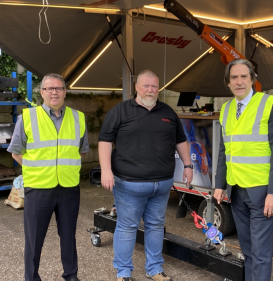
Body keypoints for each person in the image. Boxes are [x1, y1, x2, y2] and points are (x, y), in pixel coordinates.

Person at [98, 69, 193, 281]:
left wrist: (188, 165)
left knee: (156, 226)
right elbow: (105, 140)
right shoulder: (120, 111)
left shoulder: (168, 112)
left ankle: (155, 269)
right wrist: (106, 170)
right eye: (146, 85)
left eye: (154, 86)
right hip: (129, 183)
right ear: (137, 87)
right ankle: (123, 272)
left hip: (162, 184)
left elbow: (180, 140)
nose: (150, 90)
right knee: (127, 227)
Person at [7, 73, 89, 281]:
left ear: (65, 92)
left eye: (59, 88)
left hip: (68, 188)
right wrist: (36, 169)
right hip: (38, 189)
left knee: (69, 236)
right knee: (34, 239)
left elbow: (81, 151)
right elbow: (16, 152)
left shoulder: (78, 117)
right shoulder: (26, 118)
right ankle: (32, 278)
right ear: (42, 92)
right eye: (49, 88)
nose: (54, 92)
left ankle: (71, 276)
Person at [214, 59, 273, 281]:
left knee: (262, 253)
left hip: (262, 191)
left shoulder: (270, 104)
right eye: (234, 77)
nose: (239, 81)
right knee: (247, 251)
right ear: (228, 83)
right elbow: (223, 150)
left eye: (244, 76)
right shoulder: (226, 109)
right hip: (236, 190)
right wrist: (219, 184)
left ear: (253, 79)